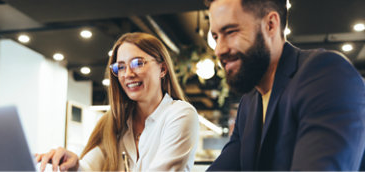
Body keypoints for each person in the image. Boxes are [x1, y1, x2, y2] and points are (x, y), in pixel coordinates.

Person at [205, 0, 365, 171]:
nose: (219, 50)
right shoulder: (249, 102)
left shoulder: (327, 75)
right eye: (215, 37)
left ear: (270, 25)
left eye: (230, 32)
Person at [35, 32, 199, 171]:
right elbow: (89, 167)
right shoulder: (115, 124)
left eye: (137, 63)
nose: (127, 74)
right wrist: (74, 165)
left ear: (162, 69)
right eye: (120, 67)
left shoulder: (180, 114)